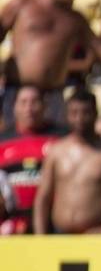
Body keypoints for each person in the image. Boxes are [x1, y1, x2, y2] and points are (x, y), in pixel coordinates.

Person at [0, 0, 101, 119]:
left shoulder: (75, 19)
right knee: (12, 140)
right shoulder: (23, 3)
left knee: (52, 141)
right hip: (17, 89)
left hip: (53, 94)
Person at [33, 90, 101, 234]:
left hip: (96, 236)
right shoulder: (56, 151)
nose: (79, 118)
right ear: (67, 116)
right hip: (60, 235)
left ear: (95, 114)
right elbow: (43, 197)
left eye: (86, 112)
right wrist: (40, 237)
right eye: (74, 113)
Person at [0, 87, 66, 235]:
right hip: (11, 223)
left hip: (54, 222)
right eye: (23, 102)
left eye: (34, 102)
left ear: (45, 106)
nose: (29, 108)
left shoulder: (62, 138)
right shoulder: (2, 140)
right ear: (14, 107)